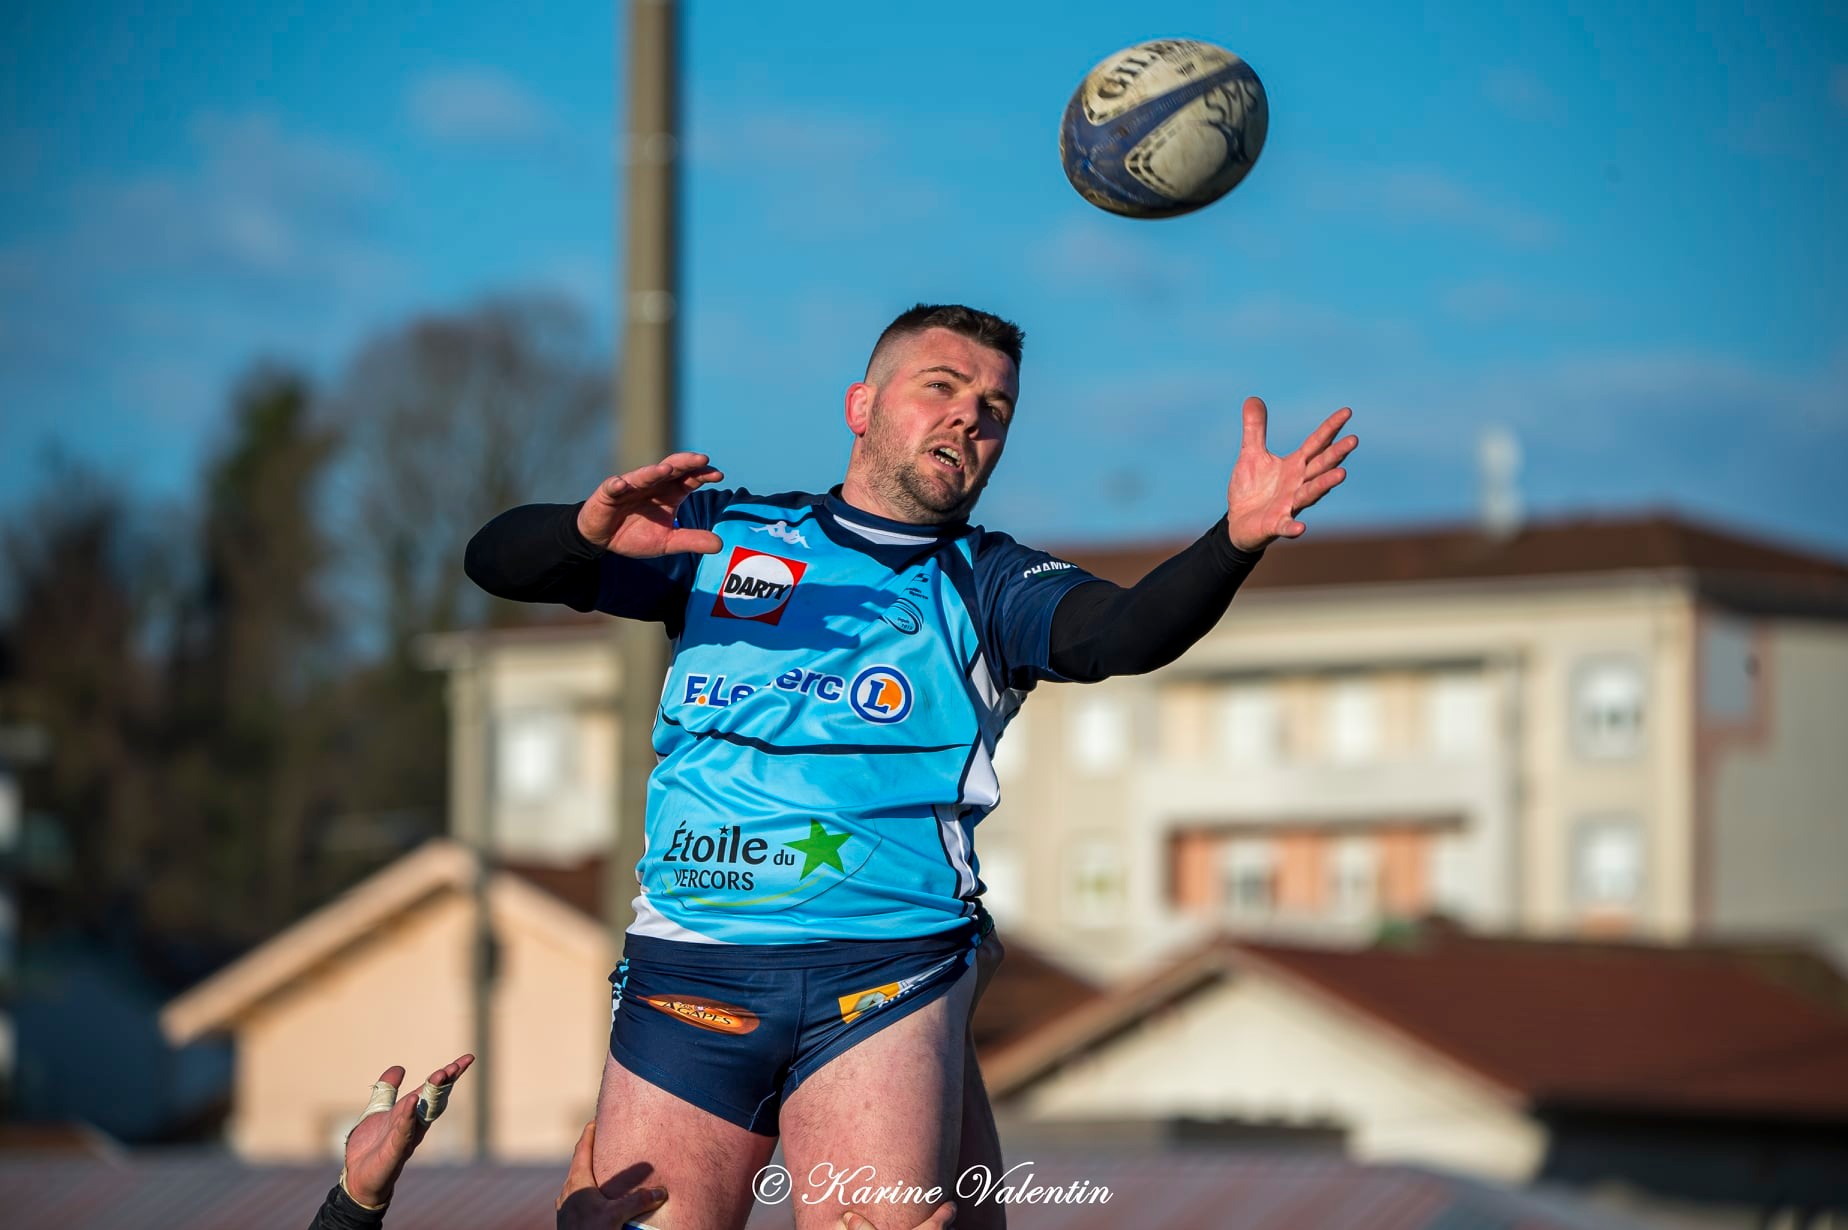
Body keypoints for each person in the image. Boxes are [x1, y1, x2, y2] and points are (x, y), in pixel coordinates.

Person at [464, 303, 1357, 1230]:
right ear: (863, 405)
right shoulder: (719, 536)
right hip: (692, 963)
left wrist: (1234, 541)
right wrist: (584, 528)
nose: (971, 415)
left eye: (996, 407)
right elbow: (494, 564)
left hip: (885, 973)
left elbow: (1124, 636)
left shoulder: (992, 582)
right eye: (942, 385)